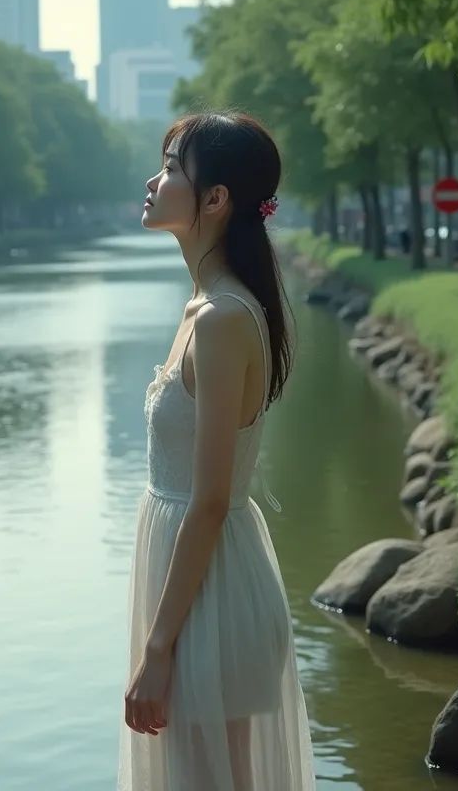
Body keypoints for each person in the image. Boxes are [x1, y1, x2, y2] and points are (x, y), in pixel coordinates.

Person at [118, 111, 316, 791]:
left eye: (172, 167)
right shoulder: (206, 307)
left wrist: (157, 648)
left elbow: (208, 500)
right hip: (192, 580)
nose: (153, 180)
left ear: (216, 199)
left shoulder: (224, 318)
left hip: (212, 591)